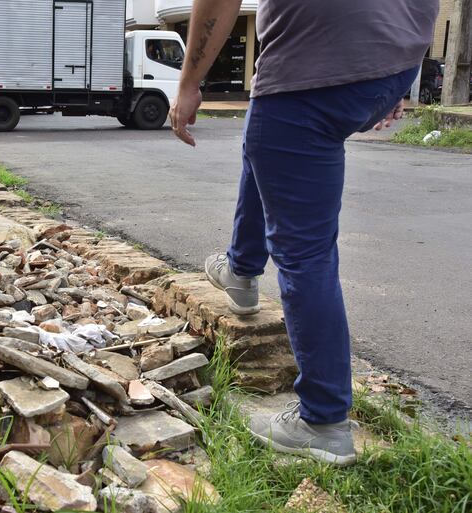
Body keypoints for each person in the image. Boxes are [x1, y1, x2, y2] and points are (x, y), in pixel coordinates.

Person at [170, 0, 439, 466]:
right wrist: (391, 66)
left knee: (306, 254)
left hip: (313, 70)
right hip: (386, 66)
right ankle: (241, 268)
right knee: (267, 139)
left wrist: (190, 84)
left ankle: (323, 421)